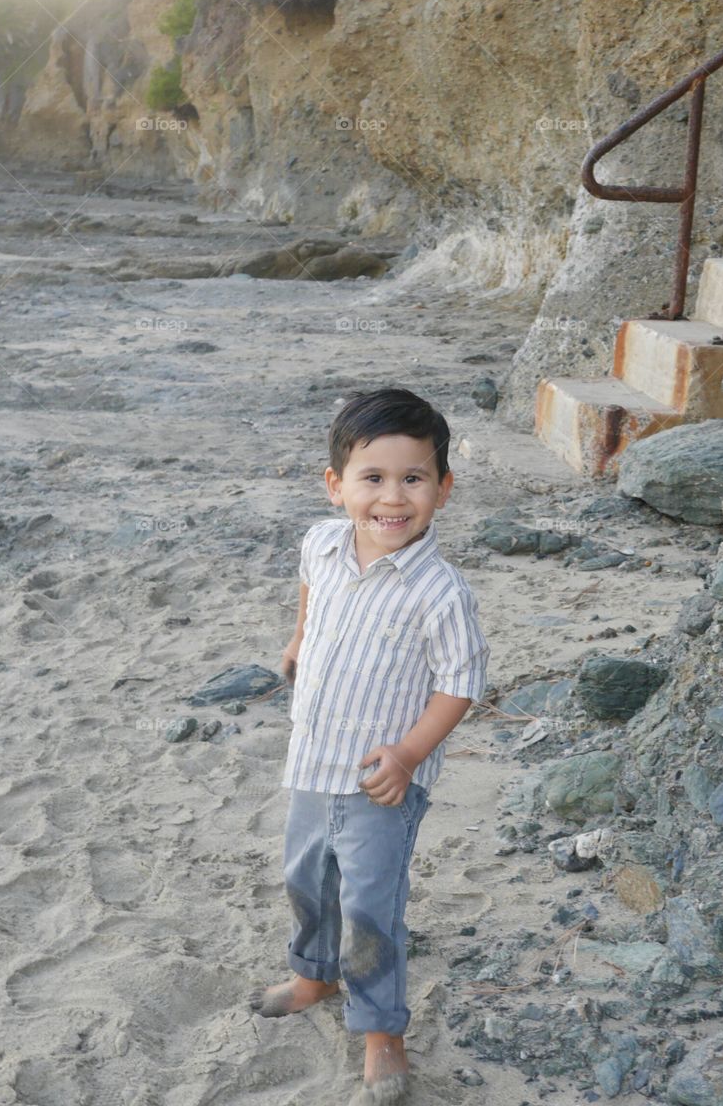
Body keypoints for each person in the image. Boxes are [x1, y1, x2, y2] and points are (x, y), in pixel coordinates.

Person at [249, 386, 490, 1104]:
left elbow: (460, 684)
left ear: (442, 489)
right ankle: (313, 973)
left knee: (369, 905)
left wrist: (409, 756)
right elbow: (309, 589)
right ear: (335, 487)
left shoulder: (440, 592)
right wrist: (298, 637)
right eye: (372, 479)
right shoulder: (321, 542)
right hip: (312, 760)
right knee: (306, 879)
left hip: (381, 783)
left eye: (413, 479)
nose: (393, 498)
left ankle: (380, 1028)